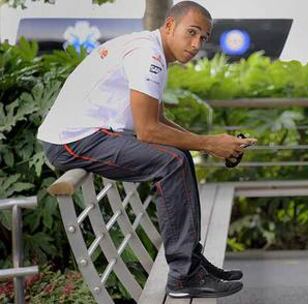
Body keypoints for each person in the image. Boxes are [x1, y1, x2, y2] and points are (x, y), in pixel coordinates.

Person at [37, 0, 256, 299]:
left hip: (89, 134)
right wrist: (210, 143)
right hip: (71, 140)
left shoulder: (151, 51)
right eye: (191, 33)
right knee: (173, 162)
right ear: (169, 26)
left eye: (203, 37)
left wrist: (212, 143)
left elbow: (158, 120)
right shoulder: (148, 55)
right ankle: (182, 277)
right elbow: (148, 131)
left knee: (179, 157)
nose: (196, 44)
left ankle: (191, 263)